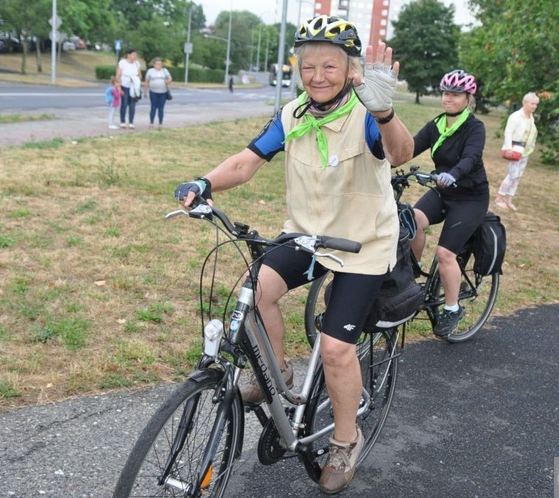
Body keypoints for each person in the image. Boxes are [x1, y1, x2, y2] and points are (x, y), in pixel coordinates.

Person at [174, 15, 414, 494]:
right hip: (308, 235)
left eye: (330, 66)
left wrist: (386, 113)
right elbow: (246, 161)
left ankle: (345, 441)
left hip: (362, 245)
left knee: (335, 349)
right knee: (254, 290)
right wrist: (204, 182)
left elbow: (401, 153)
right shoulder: (294, 115)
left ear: (351, 71)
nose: (318, 75)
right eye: (308, 66)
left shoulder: (367, 113)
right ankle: (275, 373)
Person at [409, 69, 489, 336]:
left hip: (470, 197)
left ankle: (453, 308)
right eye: (445, 93)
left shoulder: (474, 127)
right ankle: (412, 278)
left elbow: (470, 158)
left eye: (455, 95)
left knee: (445, 254)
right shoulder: (436, 125)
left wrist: (453, 174)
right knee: (411, 220)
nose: (448, 99)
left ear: (468, 98)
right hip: (443, 191)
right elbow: (409, 147)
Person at [495, 92, 540, 211]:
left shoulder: (531, 117)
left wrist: (532, 145)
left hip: (525, 151)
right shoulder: (516, 116)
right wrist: (508, 147)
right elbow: (508, 132)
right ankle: (499, 198)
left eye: (536, 104)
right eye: (532, 103)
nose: (534, 106)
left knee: (518, 176)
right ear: (525, 103)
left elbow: (532, 132)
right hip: (515, 150)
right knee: (512, 175)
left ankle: (509, 200)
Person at [116, 48, 141, 129]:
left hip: (133, 87)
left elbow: (140, 75)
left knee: (132, 104)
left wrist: (135, 78)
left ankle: (131, 122)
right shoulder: (122, 63)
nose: (135, 56)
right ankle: (122, 121)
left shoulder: (137, 64)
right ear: (128, 55)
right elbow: (118, 76)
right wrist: (119, 87)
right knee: (124, 103)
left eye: (135, 55)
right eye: (133, 54)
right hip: (125, 86)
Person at [144, 57, 172, 129]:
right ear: (154, 65)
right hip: (153, 92)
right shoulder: (150, 71)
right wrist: (145, 91)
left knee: (161, 108)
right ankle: (151, 123)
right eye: (157, 64)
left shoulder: (165, 71)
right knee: (153, 107)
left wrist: (168, 81)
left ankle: (160, 123)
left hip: (163, 92)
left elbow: (170, 78)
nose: (159, 66)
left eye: (160, 64)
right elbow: (147, 81)